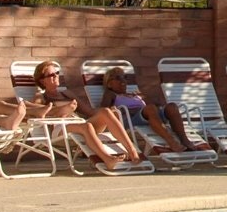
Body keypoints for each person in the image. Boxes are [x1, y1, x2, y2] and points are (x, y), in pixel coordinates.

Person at [15, 60, 145, 168]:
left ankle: (132, 151)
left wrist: (110, 113)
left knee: (105, 112)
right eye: (51, 75)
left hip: (78, 123)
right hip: (59, 129)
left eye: (57, 73)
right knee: (86, 126)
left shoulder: (67, 94)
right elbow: (36, 113)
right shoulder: (41, 96)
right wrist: (62, 110)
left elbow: (89, 111)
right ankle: (108, 159)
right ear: (42, 81)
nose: (56, 76)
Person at [98, 67, 195, 153]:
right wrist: (118, 110)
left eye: (125, 77)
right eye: (118, 78)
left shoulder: (134, 94)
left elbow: (157, 103)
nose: (123, 80)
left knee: (172, 107)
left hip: (148, 115)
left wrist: (142, 96)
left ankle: (184, 139)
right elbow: (103, 110)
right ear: (109, 84)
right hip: (130, 119)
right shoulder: (110, 94)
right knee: (150, 108)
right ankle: (171, 141)